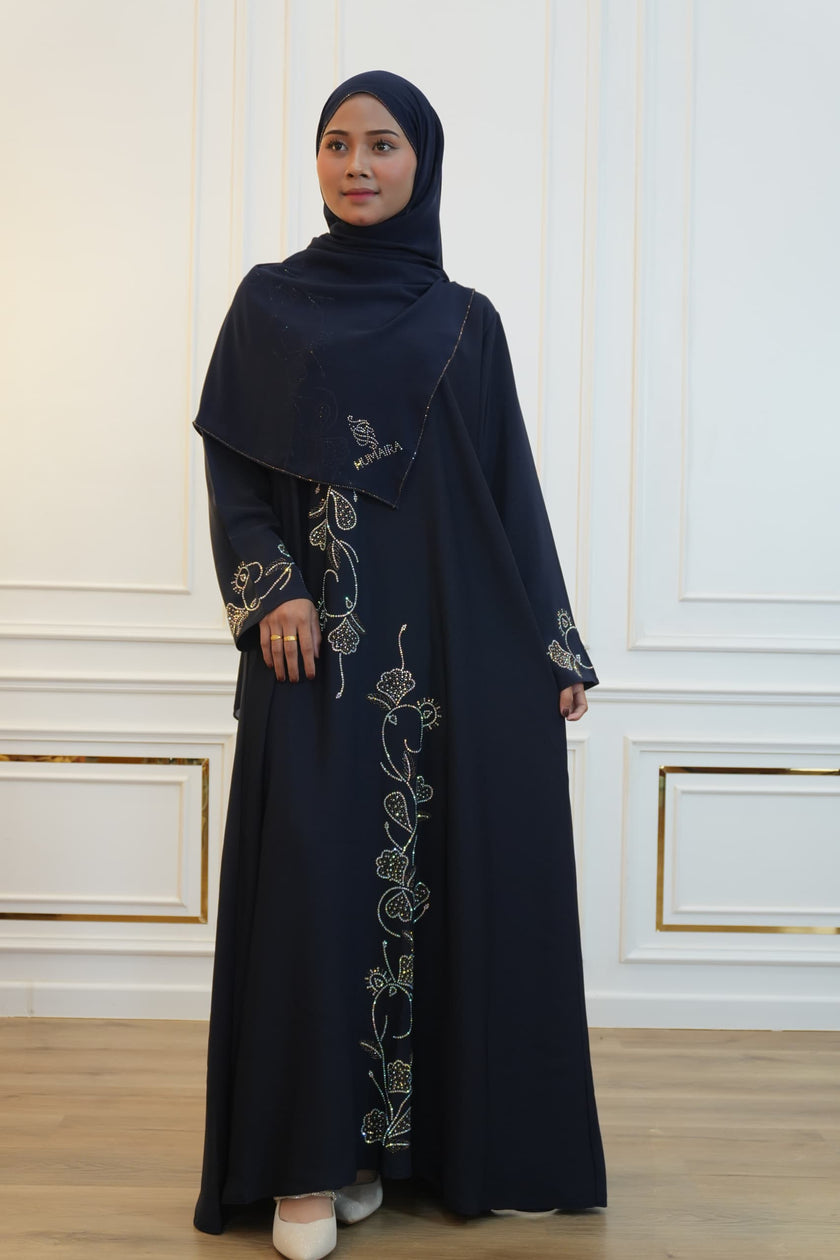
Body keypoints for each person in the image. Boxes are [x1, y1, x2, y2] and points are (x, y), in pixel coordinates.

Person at [192, 69, 607, 1260]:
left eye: (381, 145)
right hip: (313, 651)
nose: (356, 164)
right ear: (314, 164)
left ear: (422, 163)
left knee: (440, 886)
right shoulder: (268, 307)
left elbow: (507, 491)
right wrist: (273, 584)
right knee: (314, 895)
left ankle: (389, 1151)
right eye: (335, 144)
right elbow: (233, 475)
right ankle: (305, 1169)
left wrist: (552, 636)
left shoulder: (463, 320)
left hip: (454, 648)